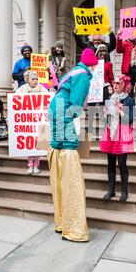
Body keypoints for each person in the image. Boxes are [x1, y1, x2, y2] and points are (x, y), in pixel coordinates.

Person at [48, 48, 99, 242]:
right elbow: (77, 102)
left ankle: (61, 222)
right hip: (64, 110)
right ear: (92, 64)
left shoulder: (73, 71)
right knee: (69, 148)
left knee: (57, 147)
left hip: (55, 108)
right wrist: (75, 118)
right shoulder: (84, 76)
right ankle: (73, 228)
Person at [100, 75, 135, 202]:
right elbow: (105, 120)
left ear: (124, 85)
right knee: (110, 163)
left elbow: (131, 119)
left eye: (118, 83)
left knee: (122, 163)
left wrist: (119, 111)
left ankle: (124, 191)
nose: (114, 85)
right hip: (111, 131)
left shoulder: (129, 100)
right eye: (114, 83)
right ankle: (111, 190)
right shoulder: (110, 98)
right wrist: (105, 112)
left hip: (123, 131)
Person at [17, 70, 49, 175]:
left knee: (38, 143)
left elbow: (48, 103)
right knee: (29, 143)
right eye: (33, 79)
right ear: (28, 80)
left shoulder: (43, 90)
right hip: (27, 121)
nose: (35, 81)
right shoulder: (21, 90)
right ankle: (30, 164)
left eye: (36, 79)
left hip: (39, 120)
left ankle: (37, 164)